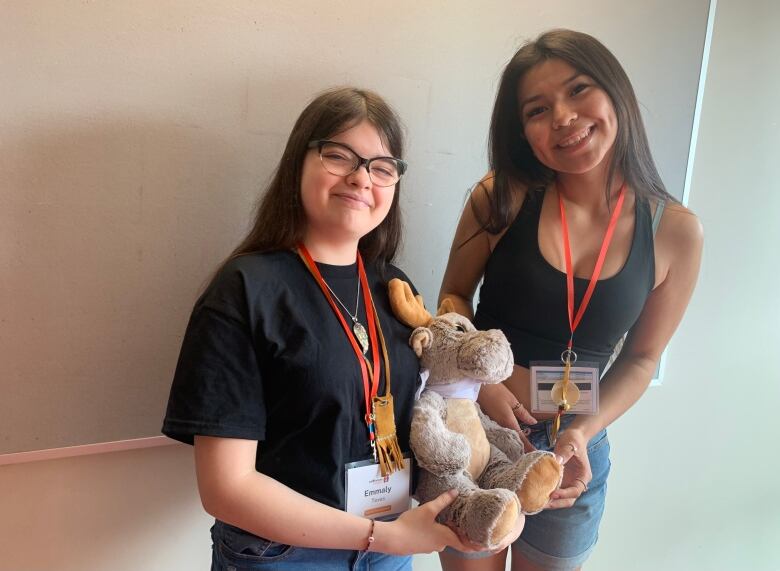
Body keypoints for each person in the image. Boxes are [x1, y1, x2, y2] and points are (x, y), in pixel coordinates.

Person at [162, 87, 514, 570]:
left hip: (390, 542)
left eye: (381, 166)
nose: (360, 178)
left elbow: (436, 406)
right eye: (338, 156)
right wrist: (380, 538)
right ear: (298, 163)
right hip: (284, 554)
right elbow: (227, 488)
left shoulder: (395, 288)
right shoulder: (245, 289)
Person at [437, 30, 703, 571]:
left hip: (572, 453)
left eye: (579, 90)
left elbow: (641, 358)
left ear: (616, 96)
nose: (562, 116)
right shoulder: (501, 196)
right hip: (477, 431)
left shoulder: (676, 231)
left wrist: (583, 430)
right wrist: (481, 381)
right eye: (538, 109)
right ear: (524, 132)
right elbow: (453, 296)